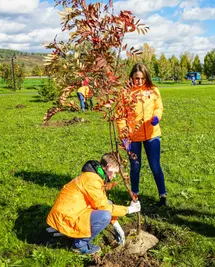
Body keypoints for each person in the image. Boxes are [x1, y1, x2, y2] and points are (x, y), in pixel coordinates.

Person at [46, 153, 141, 255]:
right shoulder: (92, 181)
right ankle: (79, 245)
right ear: (108, 166)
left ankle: (73, 233)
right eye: (114, 172)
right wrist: (129, 209)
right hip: (66, 217)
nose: (114, 176)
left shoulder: (95, 177)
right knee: (104, 216)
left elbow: (103, 203)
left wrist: (116, 225)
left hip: (71, 212)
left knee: (107, 205)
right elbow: (104, 208)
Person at [116, 63, 167, 207]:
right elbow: (120, 116)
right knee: (135, 166)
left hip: (152, 134)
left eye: (142, 78)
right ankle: (135, 196)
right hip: (133, 137)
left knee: (155, 166)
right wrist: (124, 136)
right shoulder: (125, 93)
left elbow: (158, 107)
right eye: (136, 78)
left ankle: (163, 195)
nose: (139, 81)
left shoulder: (153, 90)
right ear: (131, 77)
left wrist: (156, 117)